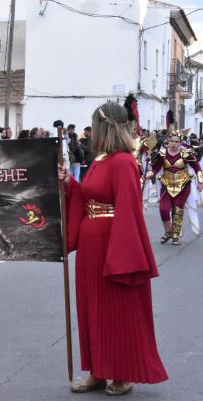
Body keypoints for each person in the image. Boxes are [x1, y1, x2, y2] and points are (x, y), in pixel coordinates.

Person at [59, 101, 167, 396]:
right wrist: (70, 183)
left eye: (94, 124)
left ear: (104, 127)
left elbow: (128, 210)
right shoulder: (100, 160)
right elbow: (89, 196)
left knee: (116, 311)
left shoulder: (123, 162)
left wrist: (121, 256)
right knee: (92, 309)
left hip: (113, 246)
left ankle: (122, 373)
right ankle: (98, 371)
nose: (91, 130)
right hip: (92, 246)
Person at [148, 131, 203, 245]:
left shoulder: (185, 154)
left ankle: (175, 236)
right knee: (164, 209)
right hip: (166, 185)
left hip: (183, 186)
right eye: (172, 141)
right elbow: (156, 168)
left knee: (177, 211)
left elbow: (197, 168)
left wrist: (200, 182)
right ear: (168, 141)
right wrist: (149, 174)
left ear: (180, 143)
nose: (174, 144)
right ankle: (168, 232)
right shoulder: (162, 154)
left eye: (176, 142)